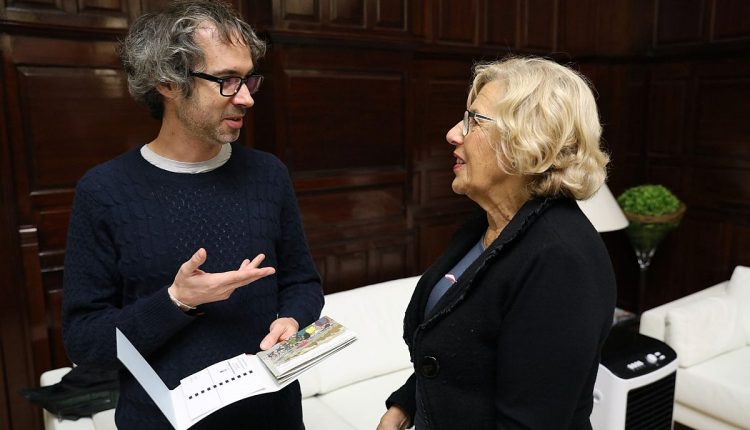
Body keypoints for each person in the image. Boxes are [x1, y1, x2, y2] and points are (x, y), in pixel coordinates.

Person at [61, 1, 324, 429]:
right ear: (167, 82)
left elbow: (301, 281)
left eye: (248, 79)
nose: (246, 97)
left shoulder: (268, 175)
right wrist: (176, 301)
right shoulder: (104, 192)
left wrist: (292, 319)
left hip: (272, 417)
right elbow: (85, 341)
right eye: (226, 81)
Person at [377, 56, 617, 430]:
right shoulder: (485, 225)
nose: (454, 133)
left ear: (528, 141)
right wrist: (406, 406)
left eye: (473, 120)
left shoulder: (561, 260)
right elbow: (459, 356)